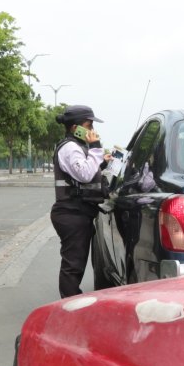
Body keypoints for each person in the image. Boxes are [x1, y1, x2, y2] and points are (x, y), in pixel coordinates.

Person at [51, 104, 111, 298]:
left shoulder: (77, 147)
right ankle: (69, 304)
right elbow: (84, 174)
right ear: (75, 128)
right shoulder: (70, 147)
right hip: (71, 213)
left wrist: (101, 162)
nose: (92, 130)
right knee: (73, 266)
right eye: (89, 125)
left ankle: (71, 301)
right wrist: (96, 148)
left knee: (75, 263)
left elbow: (83, 173)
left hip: (77, 212)